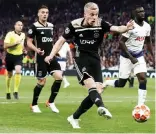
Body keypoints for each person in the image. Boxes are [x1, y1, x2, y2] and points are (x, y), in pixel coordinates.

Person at [45, 2, 134, 128]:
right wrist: (51, 55)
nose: (94, 17)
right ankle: (102, 107)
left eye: (96, 14)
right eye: (91, 14)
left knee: (97, 91)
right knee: (90, 85)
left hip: (95, 60)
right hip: (81, 59)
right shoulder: (74, 25)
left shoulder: (100, 23)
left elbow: (116, 29)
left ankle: (74, 117)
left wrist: (126, 27)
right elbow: (60, 41)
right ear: (84, 14)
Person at [103, 5, 154, 106]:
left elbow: (148, 41)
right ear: (135, 14)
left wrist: (152, 55)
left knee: (143, 78)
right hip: (126, 57)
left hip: (139, 55)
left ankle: (140, 105)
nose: (142, 13)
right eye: (139, 12)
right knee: (121, 83)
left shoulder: (147, 26)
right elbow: (121, 43)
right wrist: (131, 57)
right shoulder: (130, 26)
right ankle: (108, 82)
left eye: (143, 11)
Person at [27, 5, 63, 113]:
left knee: (59, 77)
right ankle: (34, 104)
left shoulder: (51, 26)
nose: (45, 14)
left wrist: (55, 52)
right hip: (40, 58)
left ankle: (50, 102)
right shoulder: (34, 27)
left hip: (50, 56)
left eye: (46, 12)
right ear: (38, 14)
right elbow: (28, 42)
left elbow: (50, 42)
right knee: (42, 81)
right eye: (42, 12)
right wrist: (36, 50)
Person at [4, 21, 25, 100]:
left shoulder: (23, 35)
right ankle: (8, 90)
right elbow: (5, 46)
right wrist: (15, 44)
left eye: (21, 25)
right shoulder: (10, 34)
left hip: (19, 56)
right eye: (18, 25)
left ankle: (16, 91)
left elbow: (22, 45)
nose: (20, 26)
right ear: (15, 26)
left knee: (18, 71)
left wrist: (24, 50)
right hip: (10, 56)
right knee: (9, 74)